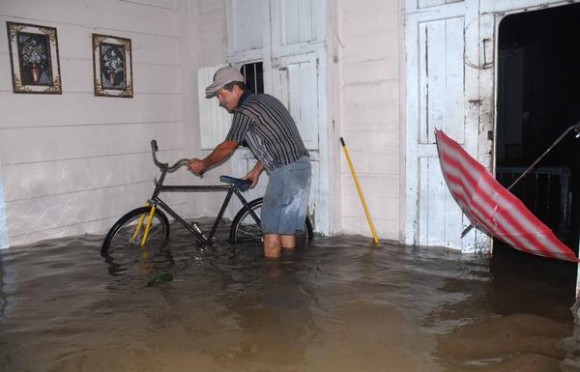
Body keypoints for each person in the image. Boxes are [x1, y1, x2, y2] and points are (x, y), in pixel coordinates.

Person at [188, 65, 311, 259]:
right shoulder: (266, 100)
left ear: (235, 89)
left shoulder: (245, 111)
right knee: (286, 229)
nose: (220, 101)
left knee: (270, 228)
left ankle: (273, 283)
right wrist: (256, 170)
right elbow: (275, 143)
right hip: (300, 167)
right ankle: (289, 278)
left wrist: (203, 164)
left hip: (285, 170)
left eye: (221, 95)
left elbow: (228, 146)